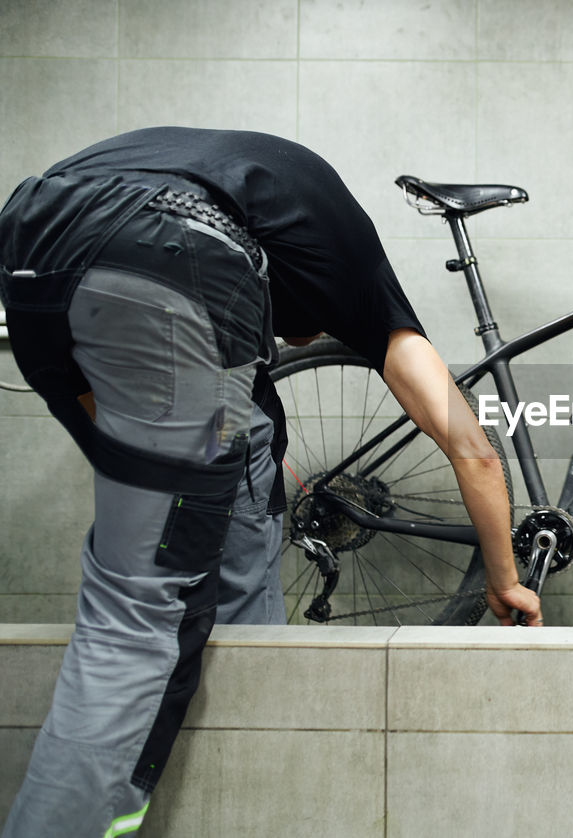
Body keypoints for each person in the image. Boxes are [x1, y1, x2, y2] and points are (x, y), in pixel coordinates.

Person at [0, 127, 541, 837]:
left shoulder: (273, 199)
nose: (296, 344)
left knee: (237, 448)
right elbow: (473, 449)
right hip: (168, 241)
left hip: (30, 241)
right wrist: (505, 580)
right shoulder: (358, 275)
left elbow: (125, 432)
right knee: (137, 614)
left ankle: (241, 740)